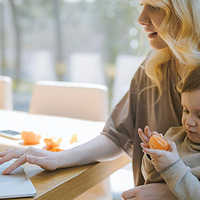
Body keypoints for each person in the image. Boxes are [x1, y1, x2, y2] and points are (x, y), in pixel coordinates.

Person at [0, 0, 200, 199]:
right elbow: (116, 136)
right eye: (143, 6)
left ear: (185, 12)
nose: (141, 19)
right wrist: (58, 158)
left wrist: (170, 193)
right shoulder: (153, 68)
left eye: (155, 7)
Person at [138, 66, 200, 200]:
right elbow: (149, 176)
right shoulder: (173, 136)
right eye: (186, 110)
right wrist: (152, 156)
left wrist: (173, 166)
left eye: (199, 115)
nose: (189, 122)